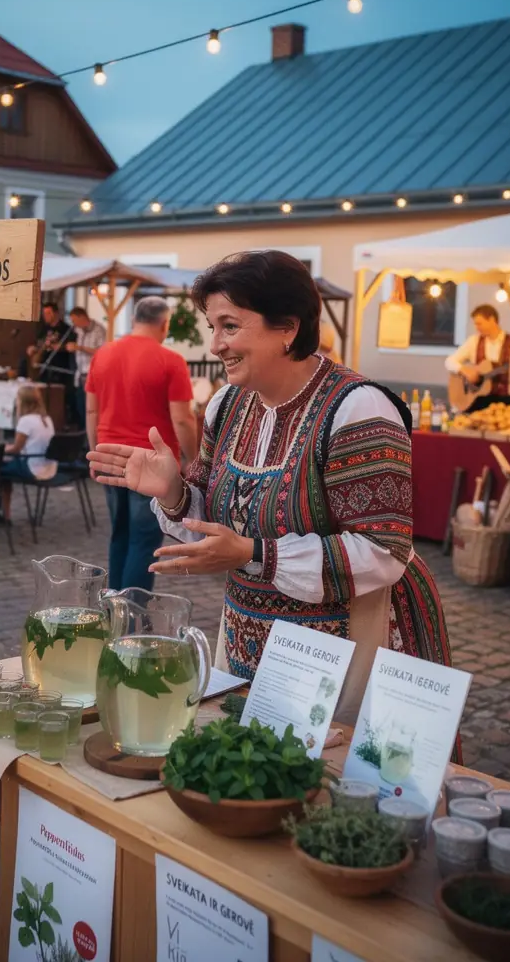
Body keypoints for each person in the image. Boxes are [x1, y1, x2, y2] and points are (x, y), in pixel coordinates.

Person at [88, 251, 454, 730]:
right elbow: (216, 517)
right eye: (212, 326)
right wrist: (175, 491)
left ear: (287, 327)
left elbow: (384, 549)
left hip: (340, 647)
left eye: (230, 326)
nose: (215, 344)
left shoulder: (358, 409)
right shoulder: (228, 404)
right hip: (244, 638)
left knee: (319, 781)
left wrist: (252, 553)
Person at [86, 296, 196, 591]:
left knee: (119, 533)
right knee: (144, 539)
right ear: (164, 324)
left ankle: (114, 606)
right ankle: (133, 615)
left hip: (110, 455)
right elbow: (183, 419)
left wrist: (94, 452)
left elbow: (91, 411)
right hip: (150, 463)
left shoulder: (103, 354)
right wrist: (194, 458)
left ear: (134, 320)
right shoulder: (170, 361)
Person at [445, 304, 510, 413]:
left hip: (507, 402)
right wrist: (464, 370)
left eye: (479, 323)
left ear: (492, 320)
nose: (477, 327)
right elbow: (449, 361)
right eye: (475, 324)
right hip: (477, 400)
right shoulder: (474, 341)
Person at [0, 385, 57, 521]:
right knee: (6, 468)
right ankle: (4, 514)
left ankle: (5, 514)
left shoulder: (26, 421)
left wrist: (2, 449)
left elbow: (16, 449)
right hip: (49, 467)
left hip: (33, 468)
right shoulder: (47, 419)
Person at [29, 302, 76, 426]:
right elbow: (37, 343)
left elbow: (71, 347)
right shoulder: (43, 329)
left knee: (59, 401)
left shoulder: (66, 329)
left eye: (48, 313)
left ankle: (59, 424)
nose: (46, 316)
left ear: (56, 313)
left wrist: (60, 348)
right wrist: (33, 348)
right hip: (44, 368)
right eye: (44, 313)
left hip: (60, 369)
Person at [69, 306, 106, 430]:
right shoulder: (78, 331)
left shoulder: (99, 330)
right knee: (80, 406)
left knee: (90, 408)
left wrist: (80, 348)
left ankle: (89, 435)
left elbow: (101, 352)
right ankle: (83, 432)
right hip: (80, 373)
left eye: (74, 321)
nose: (73, 324)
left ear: (82, 317)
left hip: (92, 373)